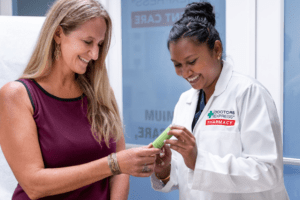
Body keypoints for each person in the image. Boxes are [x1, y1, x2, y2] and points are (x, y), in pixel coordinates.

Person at [0, 0, 161, 199]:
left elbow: (120, 173)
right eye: (87, 42)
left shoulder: (102, 93)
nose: (95, 54)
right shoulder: (18, 95)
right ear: (58, 34)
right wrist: (113, 164)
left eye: (100, 44)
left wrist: (119, 166)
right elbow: (34, 185)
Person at [150, 2, 290, 200]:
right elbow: (189, 175)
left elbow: (267, 171)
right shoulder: (185, 102)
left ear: (217, 49)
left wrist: (199, 160)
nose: (185, 72)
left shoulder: (249, 94)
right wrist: (165, 170)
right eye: (177, 65)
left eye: (191, 62)